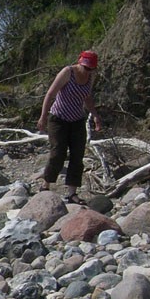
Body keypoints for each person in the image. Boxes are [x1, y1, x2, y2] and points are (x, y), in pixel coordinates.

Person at [36, 50, 102, 204]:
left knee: (77, 156)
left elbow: (87, 98)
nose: (87, 70)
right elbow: (50, 94)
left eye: (90, 68)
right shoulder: (68, 72)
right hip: (58, 118)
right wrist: (43, 117)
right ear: (80, 62)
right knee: (58, 152)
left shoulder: (90, 77)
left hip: (77, 120)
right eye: (85, 67)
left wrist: (96, 116)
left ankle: (72, 193)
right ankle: (46, 184)